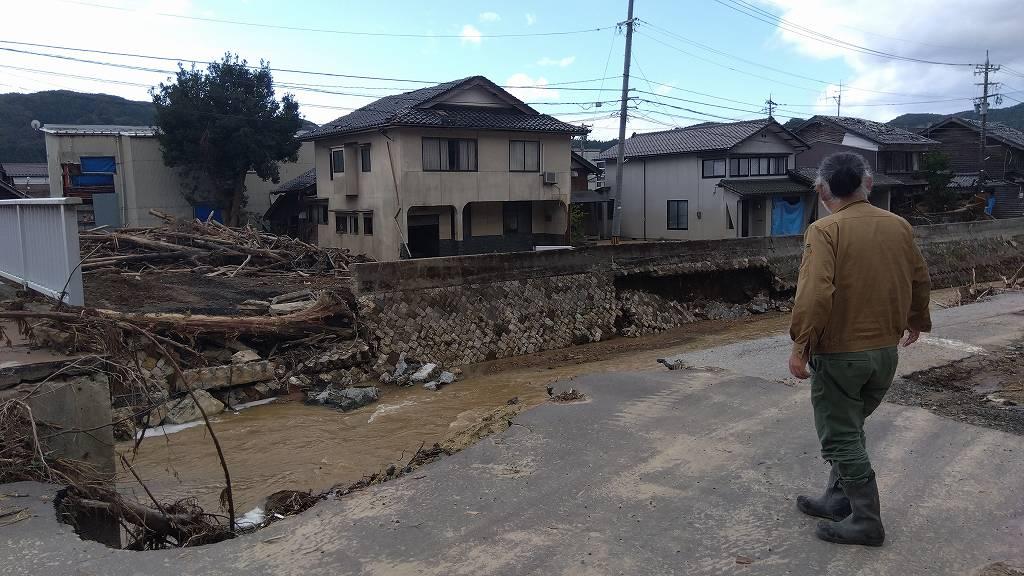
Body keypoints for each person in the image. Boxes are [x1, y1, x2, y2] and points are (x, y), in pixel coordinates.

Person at [788, 151, 932, 547]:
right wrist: (917, 319)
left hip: (841, 354)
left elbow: (815, 294)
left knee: (840, 435)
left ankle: (867, 520)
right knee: (850, 427)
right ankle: (838, 501)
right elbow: (920, 278)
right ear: (867, 184)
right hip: (885, 352)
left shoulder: (824, 230)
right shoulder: (899, 225)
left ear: (822, 190)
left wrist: (801, 345)